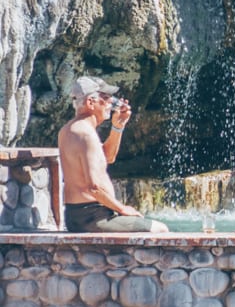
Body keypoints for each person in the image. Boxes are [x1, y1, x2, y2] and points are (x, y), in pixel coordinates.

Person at [58, 76, 168, 233]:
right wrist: (122, 209)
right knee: (160, 229)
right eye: (106, 97)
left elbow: (107, 157)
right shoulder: (85, 135)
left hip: (80, 216)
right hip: (92, 217)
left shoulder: (71, 129)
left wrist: (118, 127)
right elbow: (93, 187)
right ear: (91, 102)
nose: (111, 102)